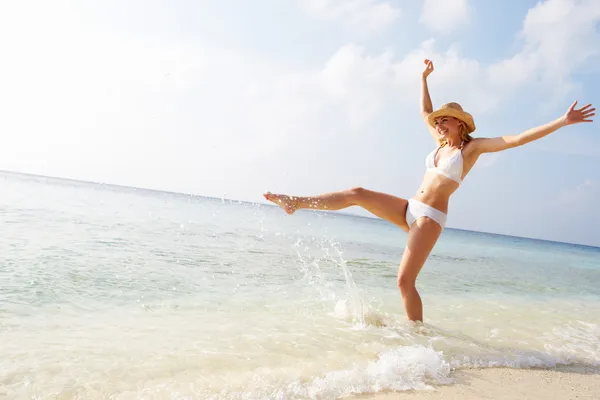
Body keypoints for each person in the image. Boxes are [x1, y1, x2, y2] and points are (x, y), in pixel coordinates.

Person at [263, 59, 595, 322]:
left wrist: (561, 121)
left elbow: (517, 138)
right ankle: (296, 203)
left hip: (430, 219)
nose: (438, 124)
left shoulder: (471, 149)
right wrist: (424, 79)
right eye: (438, 122)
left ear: (460, 124)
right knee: (357, 192)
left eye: (445, 121)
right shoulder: (438, 143)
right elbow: (424, 110)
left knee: (404, 281)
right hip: (409, 208)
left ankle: (417, 336)